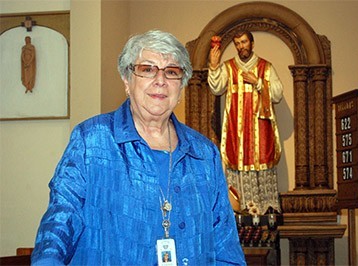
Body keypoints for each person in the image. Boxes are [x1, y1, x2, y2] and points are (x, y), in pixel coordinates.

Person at [31, 30, 245, 265]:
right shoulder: (91, 140)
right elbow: (59, 224)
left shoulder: (204, 154)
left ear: (181, 86)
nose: (160, 81)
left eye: (172, 72)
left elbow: (225, 247)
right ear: (127, 80)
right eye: (147, 69)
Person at [208, 30, 283, 215]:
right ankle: (239, 209)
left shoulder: (266, 67)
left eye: (244, 42)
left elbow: (278, 93)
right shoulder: (229, 67)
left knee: (262, 163)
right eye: (238, 43)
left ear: (252, 43)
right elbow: (216, 88)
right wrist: (214, 66)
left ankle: (265, 210)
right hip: (238, 131)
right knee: (238, 164)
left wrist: (258, 82)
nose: (241, 46)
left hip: (261, 131)